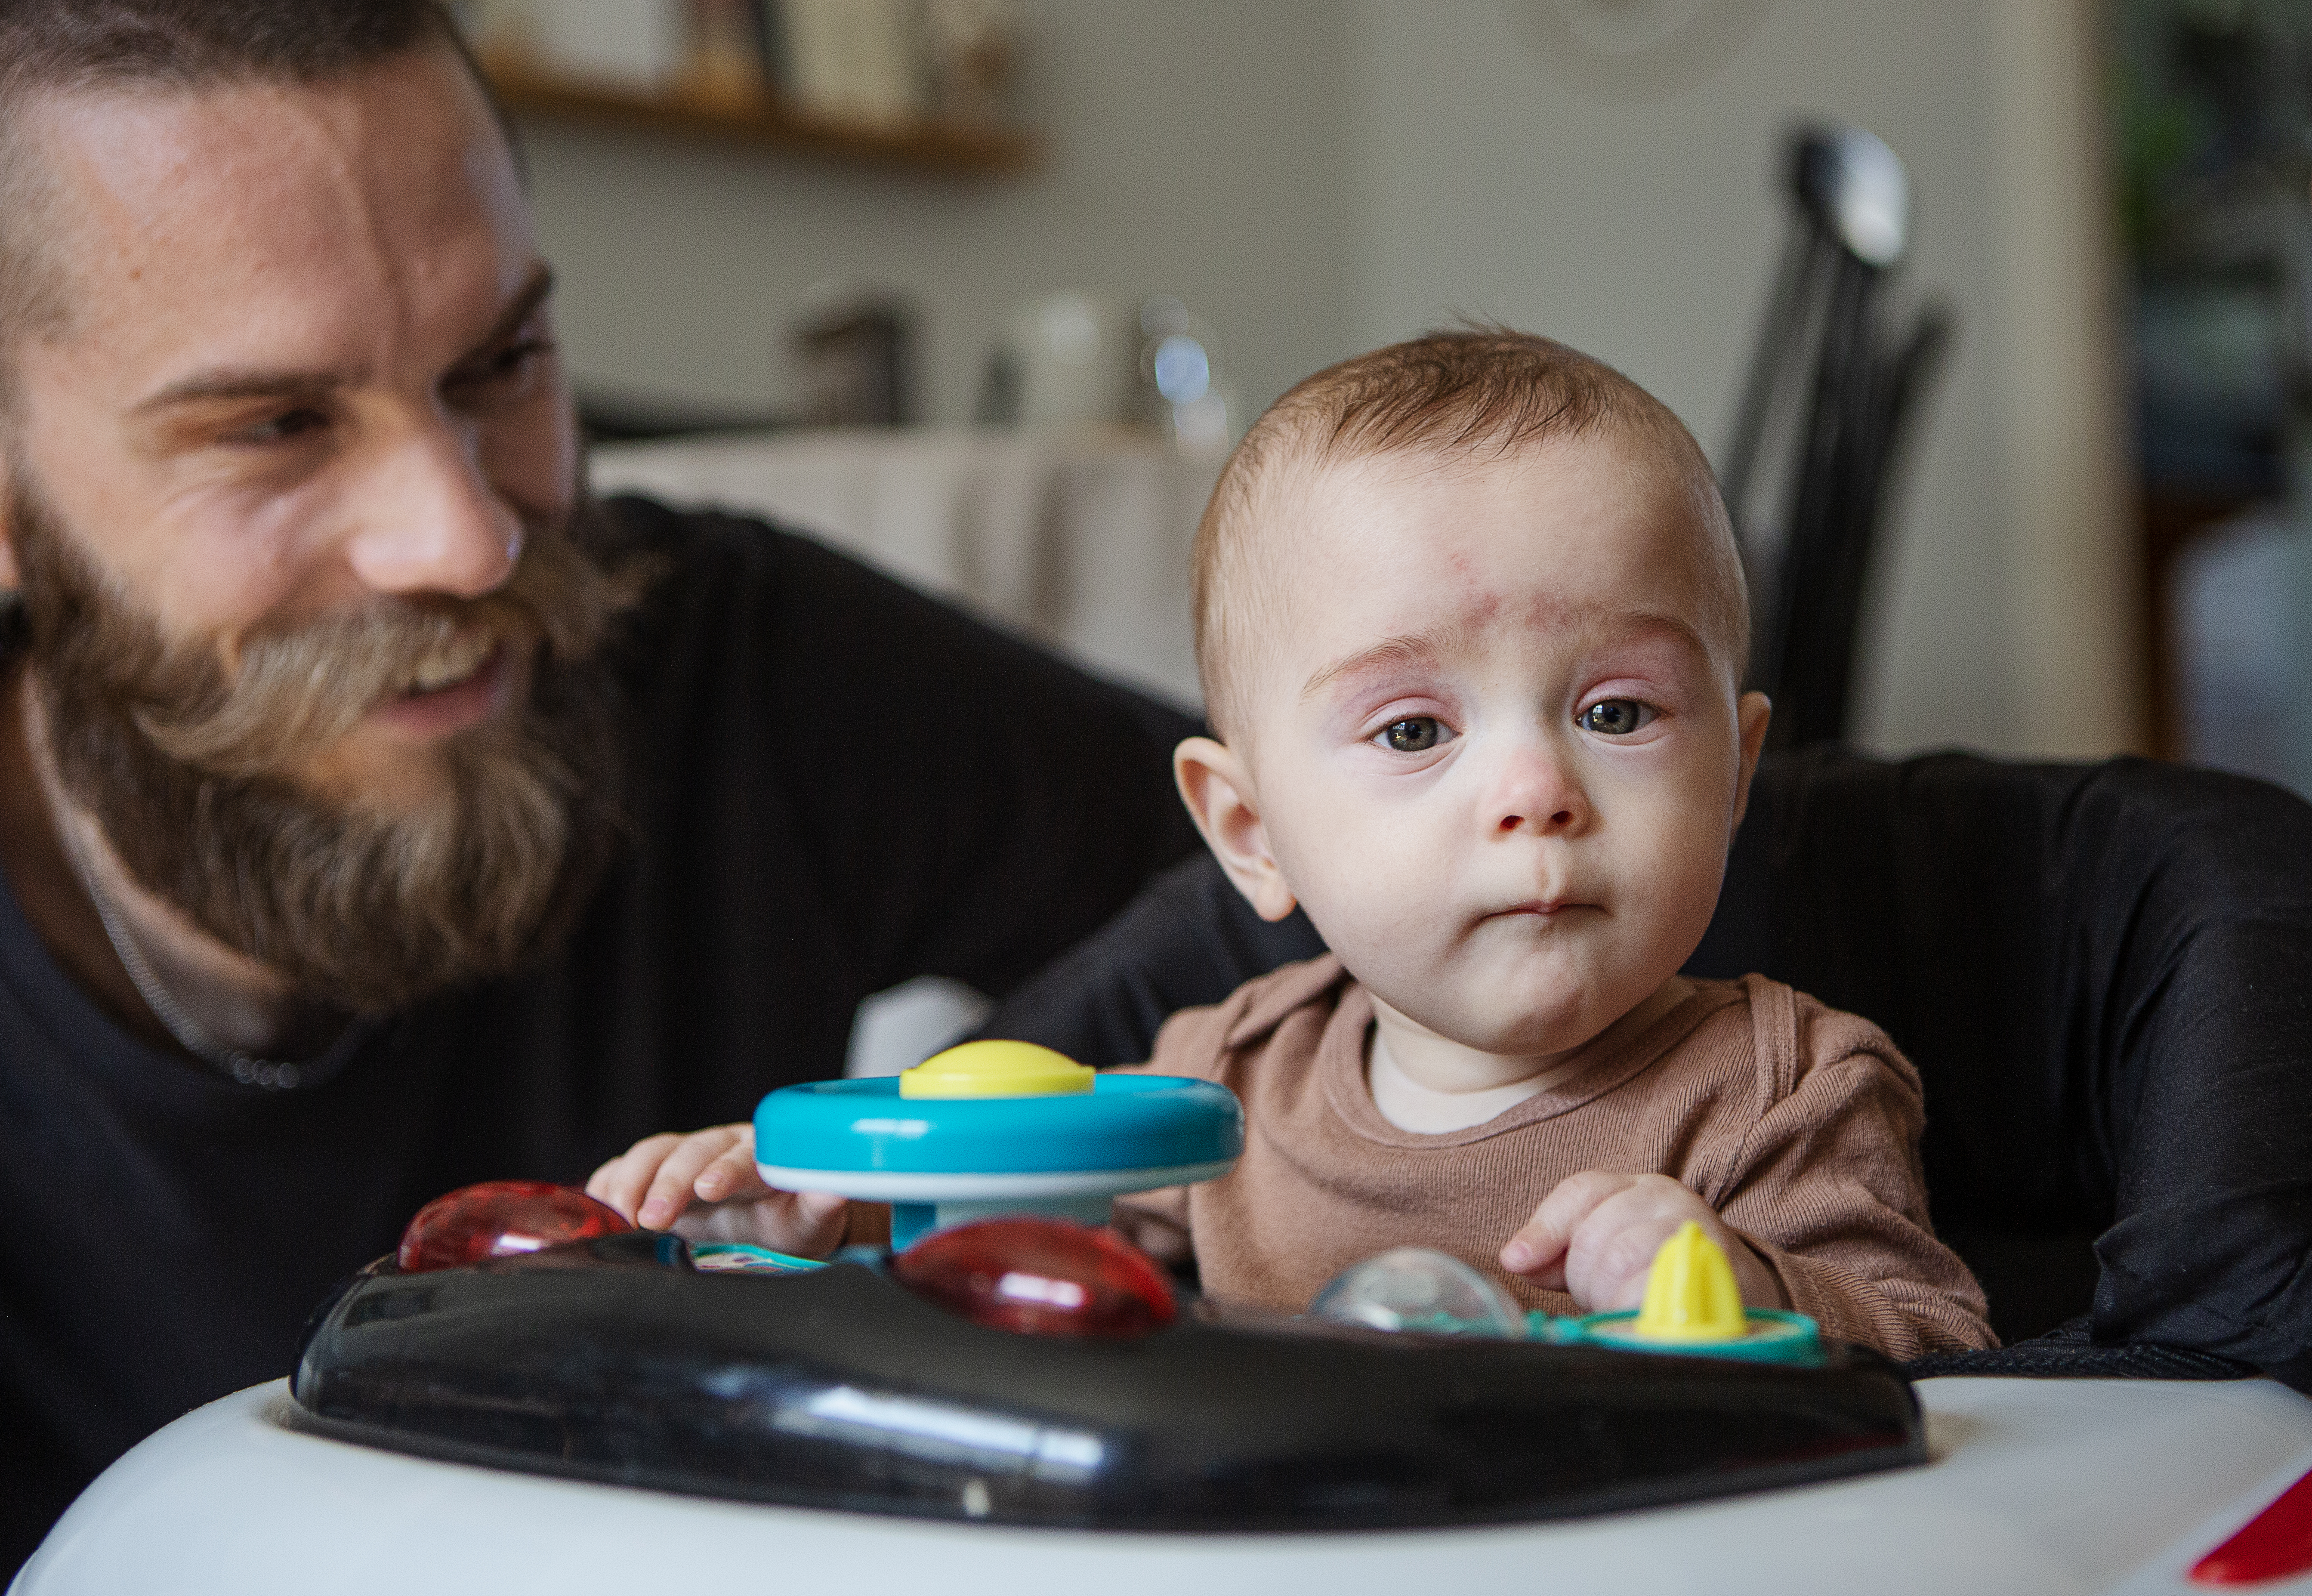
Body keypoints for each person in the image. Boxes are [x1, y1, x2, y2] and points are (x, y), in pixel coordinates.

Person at [0, 5, 1202, 1591]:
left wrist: (941, 1162)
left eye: (504, 361)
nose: (468, 541)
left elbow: (1299, 886)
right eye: (275, 425)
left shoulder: (737, 665)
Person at [596, 331, 1994, 1362]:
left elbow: (1952, 1362)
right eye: (1410, 734)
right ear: (1249, 836)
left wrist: (1738, 1282)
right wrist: (821, 1224)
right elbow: (1027, 1273)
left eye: (1615, 710)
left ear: (1736, 772)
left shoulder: (1786, 1090)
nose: (1533, 790)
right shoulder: (1220, 1082)